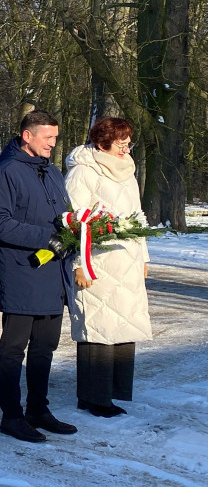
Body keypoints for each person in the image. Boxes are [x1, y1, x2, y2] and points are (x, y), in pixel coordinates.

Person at [0, 110, 78, 441]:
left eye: (55, 137)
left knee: (45, 346)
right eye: (47, 137)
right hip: (23, 272)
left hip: (54, 273)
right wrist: (44, 238)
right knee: (14, 348)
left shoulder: (51, 172)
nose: (53, 143)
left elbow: (62, 215)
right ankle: (11, 415)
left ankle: (38, 409)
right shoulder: (5, 173)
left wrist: (76, 228)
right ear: (27, 136)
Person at [65, 117, 151, 417]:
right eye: (121, 143)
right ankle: (94, 398)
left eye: (129, 142)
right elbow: (75, 220)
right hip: (97, 261)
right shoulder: (83, 171)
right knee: (97, 326)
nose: (126, 148)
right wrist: (79, 264)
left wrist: (144, 256)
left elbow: (137, 216)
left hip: (126, 260)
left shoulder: (127, 170)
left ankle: (112, 392)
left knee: (122, 325)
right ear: (103, 143)